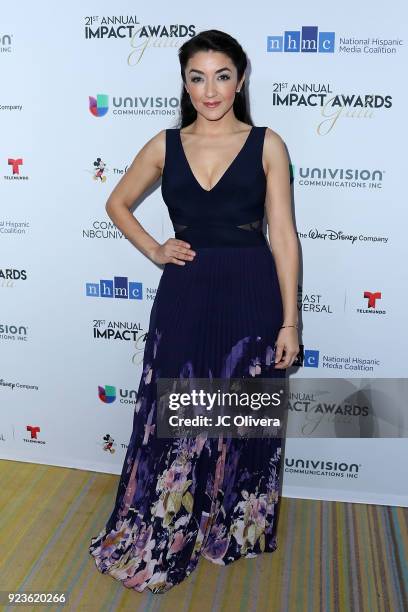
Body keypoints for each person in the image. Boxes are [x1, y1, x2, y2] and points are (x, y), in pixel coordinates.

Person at [89, 29, 299, 594]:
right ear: (185, 82)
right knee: (177, 412)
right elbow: (117, 202)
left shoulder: (267, 144)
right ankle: (172, 522)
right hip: (186, 291)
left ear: (241, 79)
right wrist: (155, 249)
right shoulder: (165, 144)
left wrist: (290, 320)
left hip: (251, 290)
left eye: (222, 75)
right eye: (197, 77)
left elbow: (283, 233)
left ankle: (231, 523)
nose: (210, 90)